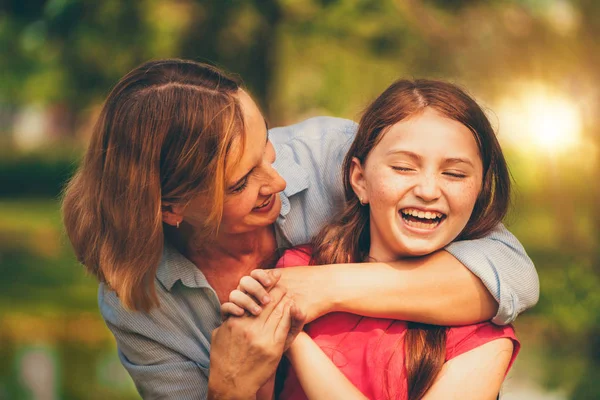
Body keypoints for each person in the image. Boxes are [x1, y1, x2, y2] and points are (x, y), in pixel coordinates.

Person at [61, 59, 538, 399]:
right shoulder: (140, 303)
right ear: (172, 208)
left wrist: (318, 287)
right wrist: (228, 387)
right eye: (242, 181)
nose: (278, 179)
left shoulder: (330, 156)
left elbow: (511, 276)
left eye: (266, 146)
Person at [223, 79, 520, 399]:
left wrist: (296, 342)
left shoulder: (484, 334)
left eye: (455, 174)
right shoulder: (294, 269)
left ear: (480, 190)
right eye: (404, 168)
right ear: (359, 179)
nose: (429, 191)